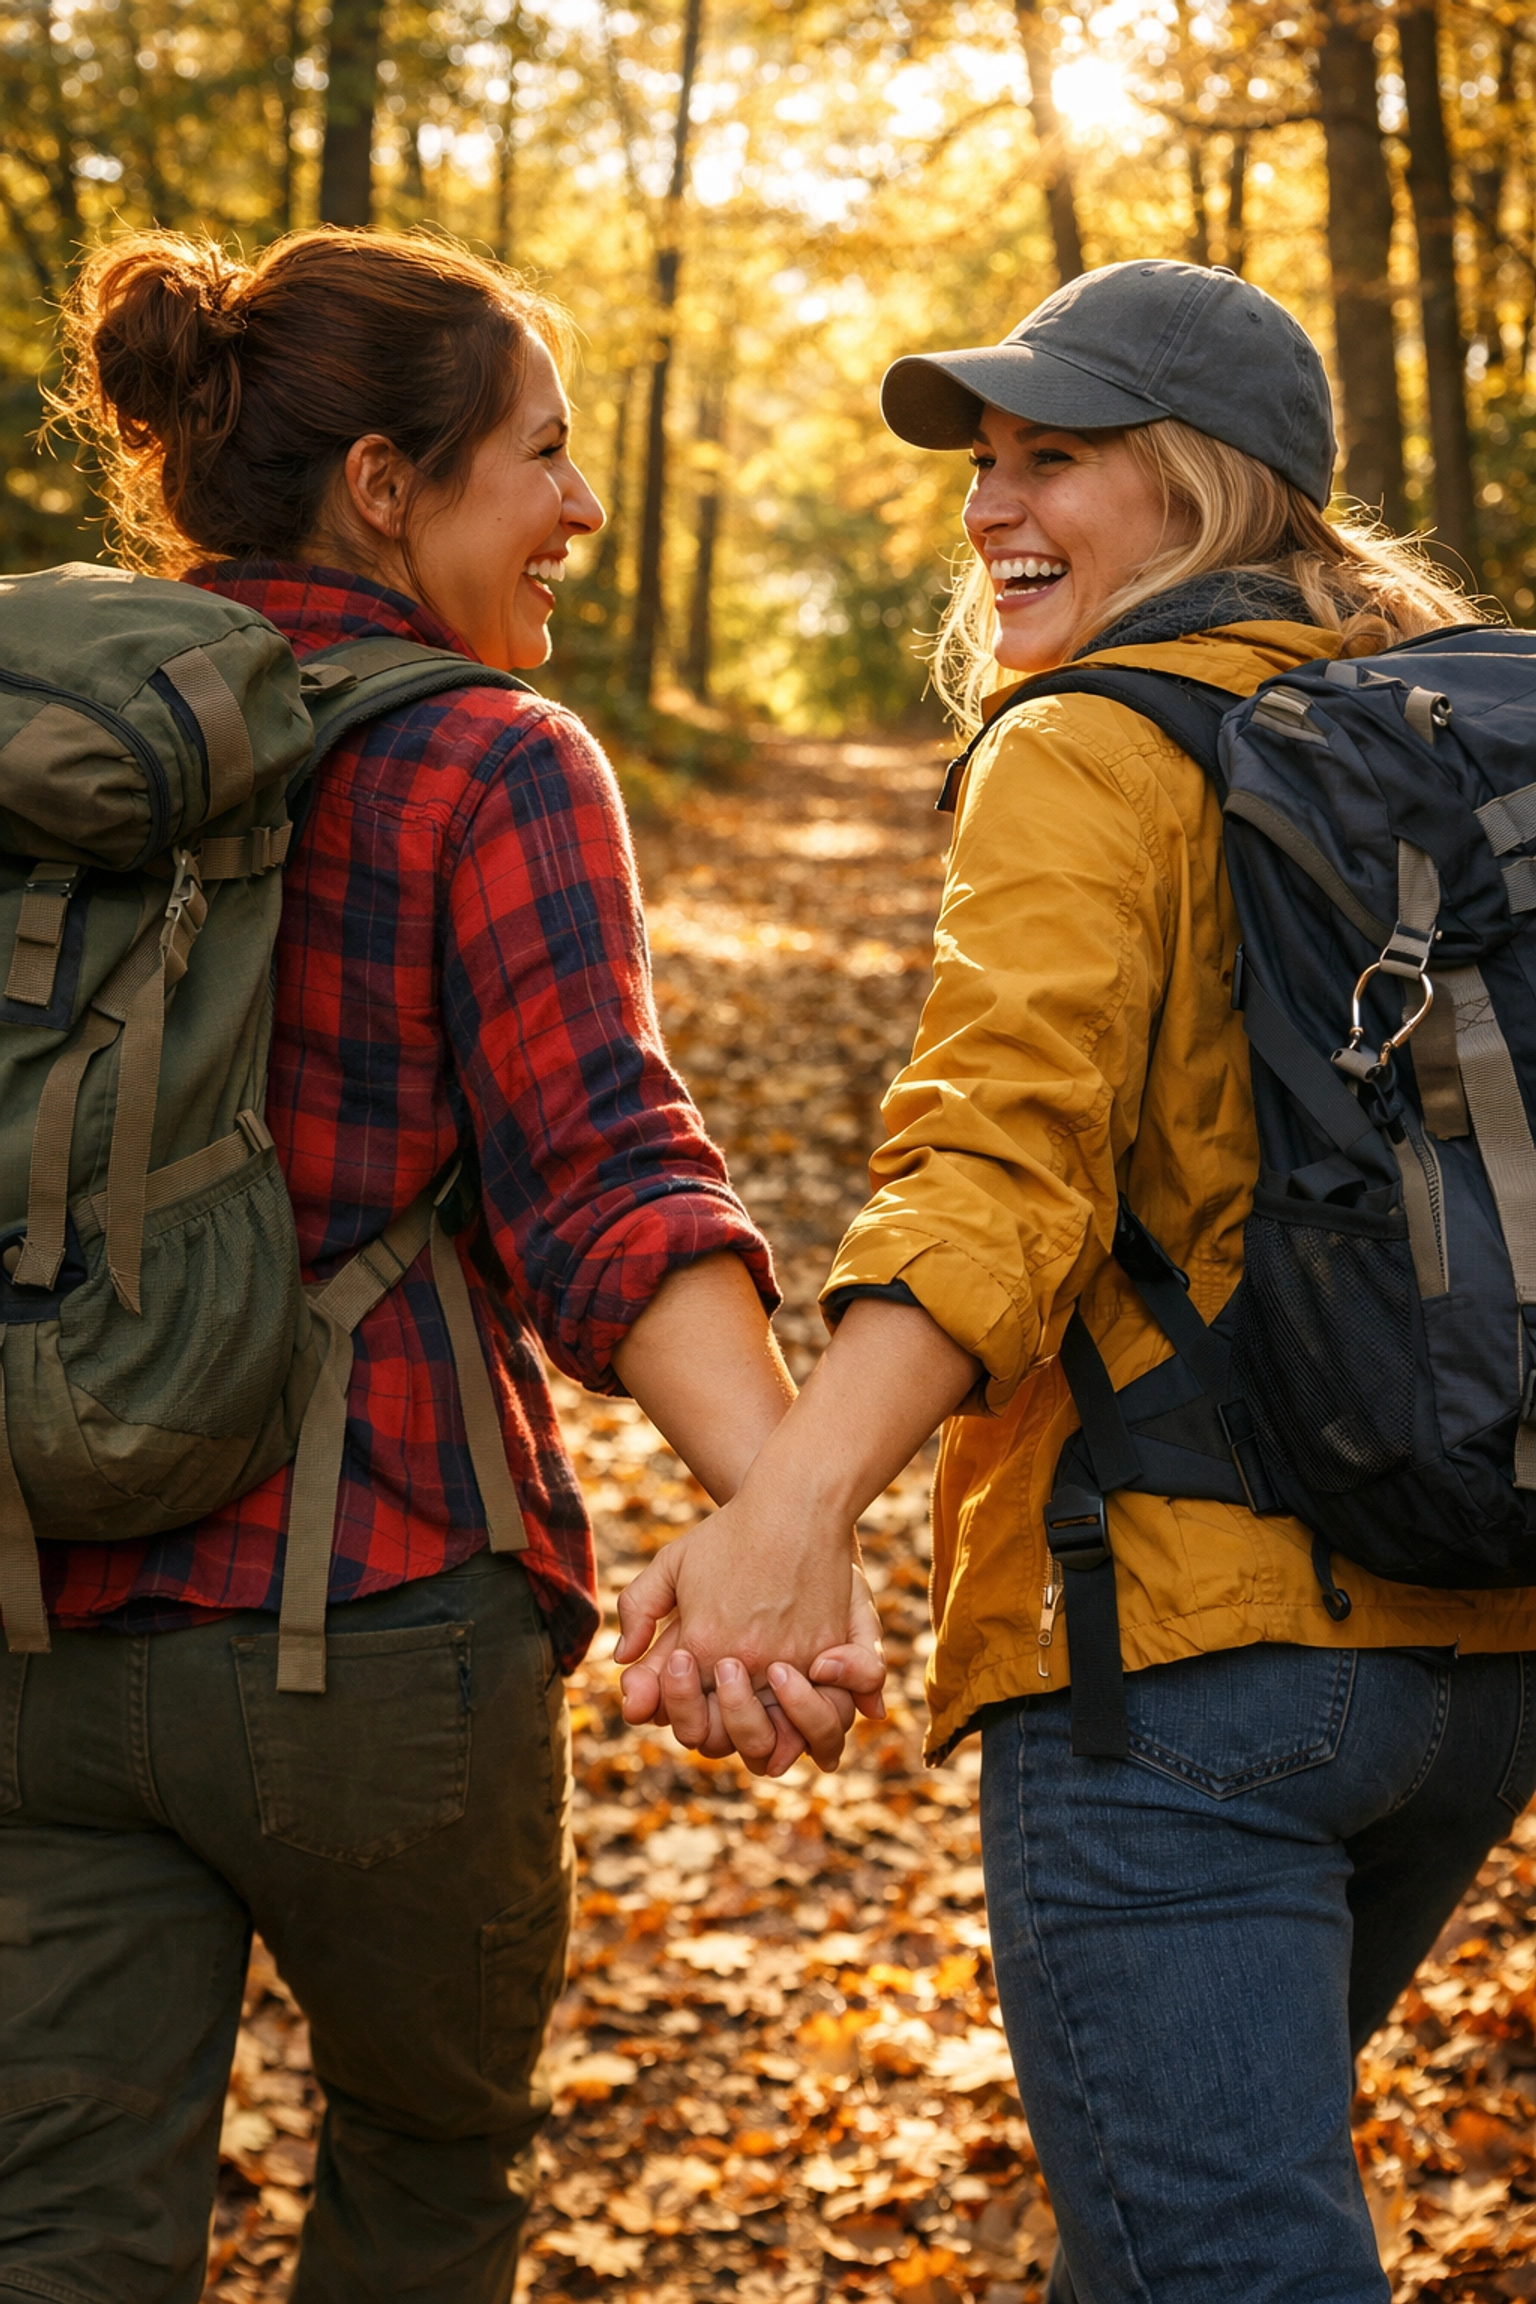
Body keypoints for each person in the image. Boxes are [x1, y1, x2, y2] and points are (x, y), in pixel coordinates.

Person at [616, 260, 1536, 2300]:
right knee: (1169, 2231)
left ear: (1208, 484)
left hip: (1184, 1676)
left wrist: (796, 1505)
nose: (989, 507)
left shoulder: (1093, 747)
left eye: (1059, 459)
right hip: (1474, 1661)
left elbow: (996, 1168)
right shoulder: (1453, 737)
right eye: (985, 464)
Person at [0, 227, 879, 2304]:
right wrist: (787, 1511)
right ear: (388, 488)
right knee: (425, 2159)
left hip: (27, 1622)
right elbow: (600, 1189)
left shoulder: (39, 751)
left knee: (53, 2241)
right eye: (541, 460)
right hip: (373, 1623)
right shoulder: (487, 758)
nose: (581, 509)